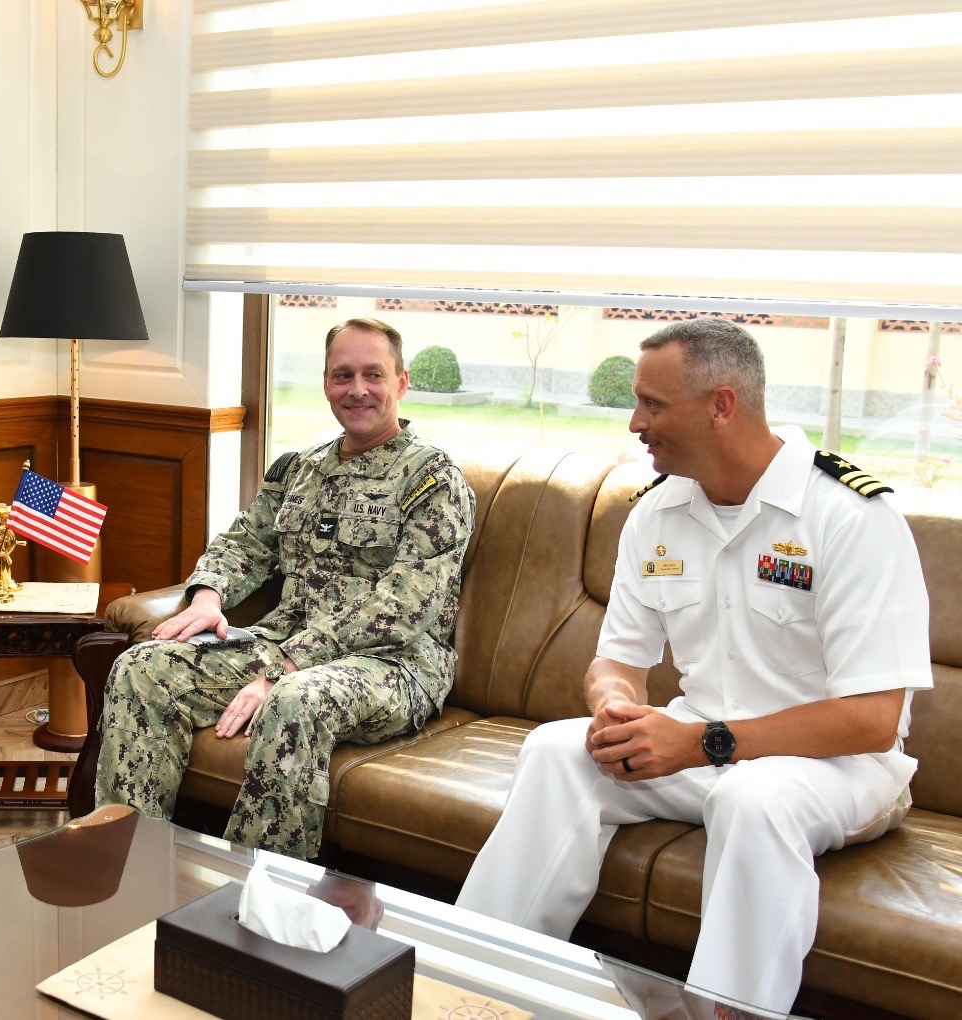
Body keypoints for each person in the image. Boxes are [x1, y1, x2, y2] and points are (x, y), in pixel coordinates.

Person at [456, 317, 931, 1013]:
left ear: (721, 406)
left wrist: (705, 741)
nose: (633, 422)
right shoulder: (656, 516)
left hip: (841, 768)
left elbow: (872, 720)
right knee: (558, 752)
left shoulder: (851, 516)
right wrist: (615, 706)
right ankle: (478, 984)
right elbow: (617, 660)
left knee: (754, 798)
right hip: (705, 744)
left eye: (652, 403)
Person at [95, 317, 474, 859]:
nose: (358, 390)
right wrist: (207, 597)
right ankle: (130, 865)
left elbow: (400, 609)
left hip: (395, 666)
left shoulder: (433, 481)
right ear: (325, 383)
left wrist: (287, 667)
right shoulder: (301, 470)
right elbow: (244, 543)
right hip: (283, 646)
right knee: (142, 668)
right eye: (343, 375)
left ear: (402, 382)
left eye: (374, 374)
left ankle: (252, 901)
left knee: (295, 701)